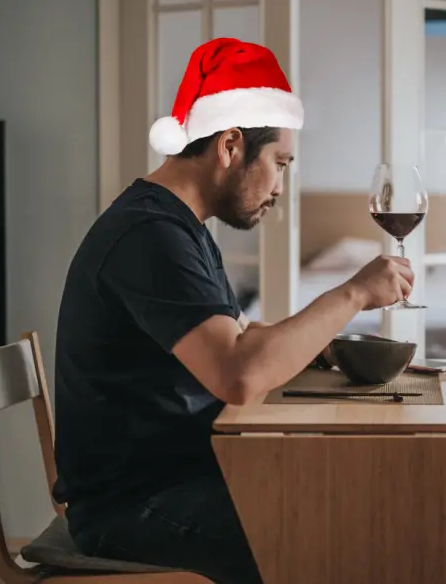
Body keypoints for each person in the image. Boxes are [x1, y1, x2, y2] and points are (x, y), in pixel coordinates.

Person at [52, 38, 414, 584]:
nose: (280, 187)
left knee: (350, 499)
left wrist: (323, 347)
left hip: (176, 476)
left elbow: (241, 337)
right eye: (279, 164)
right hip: (133, 505)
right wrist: (354, 294)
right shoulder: (150, 235)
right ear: (229, 145)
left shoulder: (177, 226)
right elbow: (240, 374)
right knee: (336, 529)